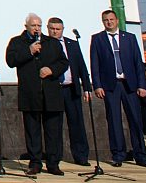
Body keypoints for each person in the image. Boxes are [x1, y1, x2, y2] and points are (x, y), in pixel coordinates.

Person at [6, 13, 68, 176]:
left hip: (51, 93)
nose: (37, 28)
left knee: (53, 130)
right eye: (33, 25)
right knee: (32, 130)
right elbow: (11, 61)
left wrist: (51, 70)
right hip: (30, 93)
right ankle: (35, 163)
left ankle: (53, 163)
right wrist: (29, 50)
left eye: (39, 25)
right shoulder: (17, 42)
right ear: (26, 26)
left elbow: (64, 62)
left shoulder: (52, 43)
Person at [89, 8, 146, 167]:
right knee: (114, 120)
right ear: (102, 22)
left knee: (135, 120)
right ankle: (118, 155)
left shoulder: (129, 38)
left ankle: (140, 155)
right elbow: (95, 64)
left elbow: (138, 63)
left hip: (129, 85)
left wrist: (141, 84)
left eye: (111, 19)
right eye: (106, 20)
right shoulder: (98, 39)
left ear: (117, 21)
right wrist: (97, 85)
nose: (109, 22)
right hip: (110, 86)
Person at [47, 17, 92, 166]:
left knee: (77, 123)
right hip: (54, 90)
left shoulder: (72, 44)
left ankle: (81, 156)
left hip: (71, 89)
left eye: (57, 29)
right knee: (55, 125)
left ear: (62, 29)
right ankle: (55, 157)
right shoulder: (44, 44)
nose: (54, 31)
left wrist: (87, 87)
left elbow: (81, 66)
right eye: (52, 28)